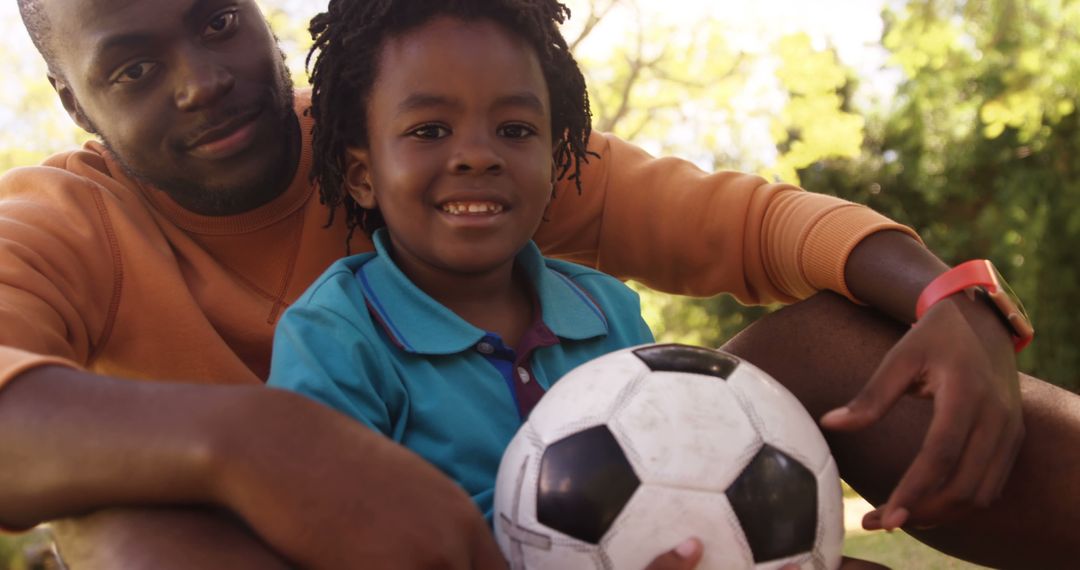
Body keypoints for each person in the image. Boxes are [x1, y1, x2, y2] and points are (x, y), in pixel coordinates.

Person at [0, 0, 1074, 568]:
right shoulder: (65, 223)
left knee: (843, 336)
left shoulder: (434, 145)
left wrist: (953, 297)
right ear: (73, 100)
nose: (200, 77)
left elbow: (746, 221)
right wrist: (249, 446)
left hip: (588, 531)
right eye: (132, 68)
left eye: (217, 21)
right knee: (132, 534)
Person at [267, 0, 656, 522]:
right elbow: (333, 532)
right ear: (363, 176)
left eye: (515, 130)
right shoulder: (333, 336)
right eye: (429, 130)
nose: (478, 155)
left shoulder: (609, 311)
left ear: (553, 159)